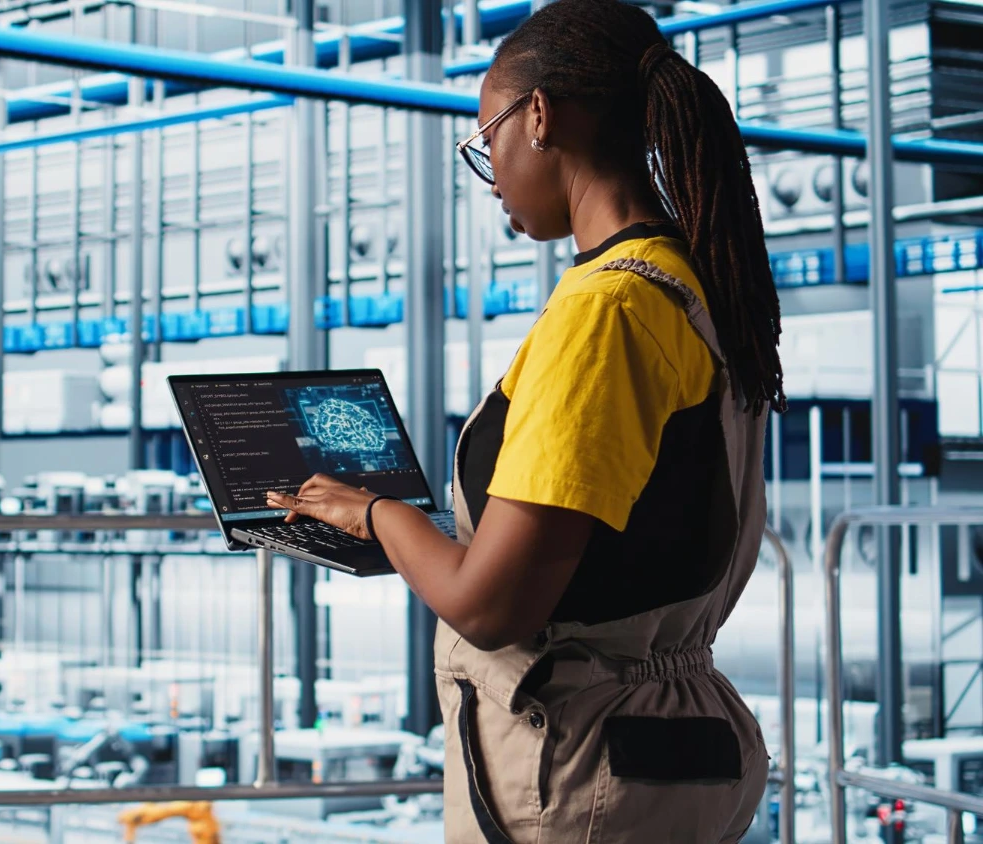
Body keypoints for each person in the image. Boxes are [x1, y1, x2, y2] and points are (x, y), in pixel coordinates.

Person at [264, 0, 785, 840]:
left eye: (487, 140)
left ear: (538, 116)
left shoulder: (608, 311)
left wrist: (376, 514)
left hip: (578, 769)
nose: (492, 176)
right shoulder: (689, 284)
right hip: (666, 749)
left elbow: (490, 606)